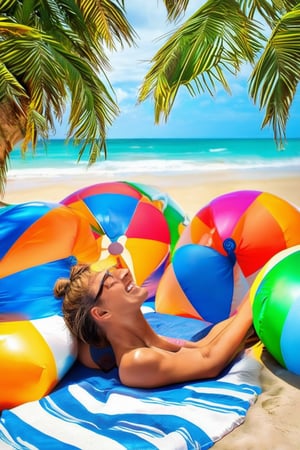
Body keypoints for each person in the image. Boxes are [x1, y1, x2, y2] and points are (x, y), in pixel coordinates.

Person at [54, 264, 255, 389]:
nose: (124, 272)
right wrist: (256, 296)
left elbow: (203, 346)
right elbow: (210, 361)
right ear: (102, 313)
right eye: (109, 281)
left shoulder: (147, 340)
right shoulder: (136, 361)